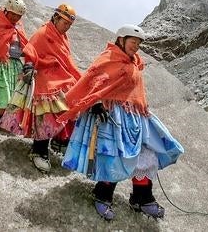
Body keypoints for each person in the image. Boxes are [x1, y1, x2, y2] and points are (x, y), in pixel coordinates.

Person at [57, 24, 184, 220]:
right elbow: (92, 81)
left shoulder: (134, 63)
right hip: (111, 117)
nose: (136, 47)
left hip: (135, 117)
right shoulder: (108, 59)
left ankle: (142, 198)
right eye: (133, 42)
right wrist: (96, 103)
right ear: (121, 40)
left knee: (146, 154)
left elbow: (136, 92)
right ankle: (102, 195)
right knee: (114, 158)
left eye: (139, 44)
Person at [0, 3, 82, 173]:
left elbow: (67, 60)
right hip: (44, 78)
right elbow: (31, 50)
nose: (67, 27)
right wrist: (29, 65)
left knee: (70, 109)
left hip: (61, 77)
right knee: (47, 115)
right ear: (56, 18)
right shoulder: (43, 33)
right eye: (65, 23)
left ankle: (58, 141)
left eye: (69, 25)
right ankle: (39, 150)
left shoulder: (63, 37)